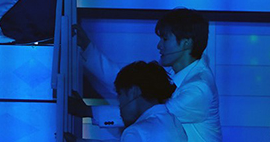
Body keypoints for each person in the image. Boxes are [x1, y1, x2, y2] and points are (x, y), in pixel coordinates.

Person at [78, 8, 221, 142]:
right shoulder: (175, 72)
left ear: (186, 43)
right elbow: (128, 82)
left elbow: (147, 110)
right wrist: (88, 48)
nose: (159, 45)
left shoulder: (199, 88)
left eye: (165, 39)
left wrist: (87, 111)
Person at [114, 62, 188, 142]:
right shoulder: (174, 123)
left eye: (120, 94)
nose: (120, 105)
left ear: (133, 91)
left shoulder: (135, 133)